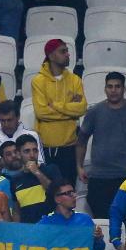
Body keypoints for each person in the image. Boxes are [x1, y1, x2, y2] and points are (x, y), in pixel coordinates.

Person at [78, 72, 126, 220]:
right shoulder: (94, 112)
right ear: (105, 89)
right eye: (110, 86)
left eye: (117, 86)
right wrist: (79, 166)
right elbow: (81, 140)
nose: (113, 90)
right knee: (103, 222)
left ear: (124, 89)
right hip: (99, 178)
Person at [32, 39, 87, 179]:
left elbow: (81, 108)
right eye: (63, 51)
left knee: (68, 192)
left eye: (67, 51)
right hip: (45, 148)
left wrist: (56, 106)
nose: (68, 54)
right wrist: (69, 111)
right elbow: (41, 112)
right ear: (51, 56)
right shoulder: (38, 81)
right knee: (48, 194)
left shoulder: (75, 80)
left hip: (69, 148)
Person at [38, 179, 108, 250]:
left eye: (73, 192)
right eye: (68, 193)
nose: (74, 196)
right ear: (57, 199)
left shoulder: (85, 219)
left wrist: (98, 239)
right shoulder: (45, 223)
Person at [9, 135, 61, 223]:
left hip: (51, 226)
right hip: (29, 231)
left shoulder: (51, 169)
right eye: (27, 151)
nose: (32, 155)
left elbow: (57, 192)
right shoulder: (15, 179)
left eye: (35, 150)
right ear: (18, 154)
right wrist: (17, 230)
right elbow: (17, 210)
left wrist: (37, 172)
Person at [0, 100, 42, 171]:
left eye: (9, 120)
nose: (6, 124)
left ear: (18, 117)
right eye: (2, 120)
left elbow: (41, 164)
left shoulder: (32, 135)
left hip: (26, 179)